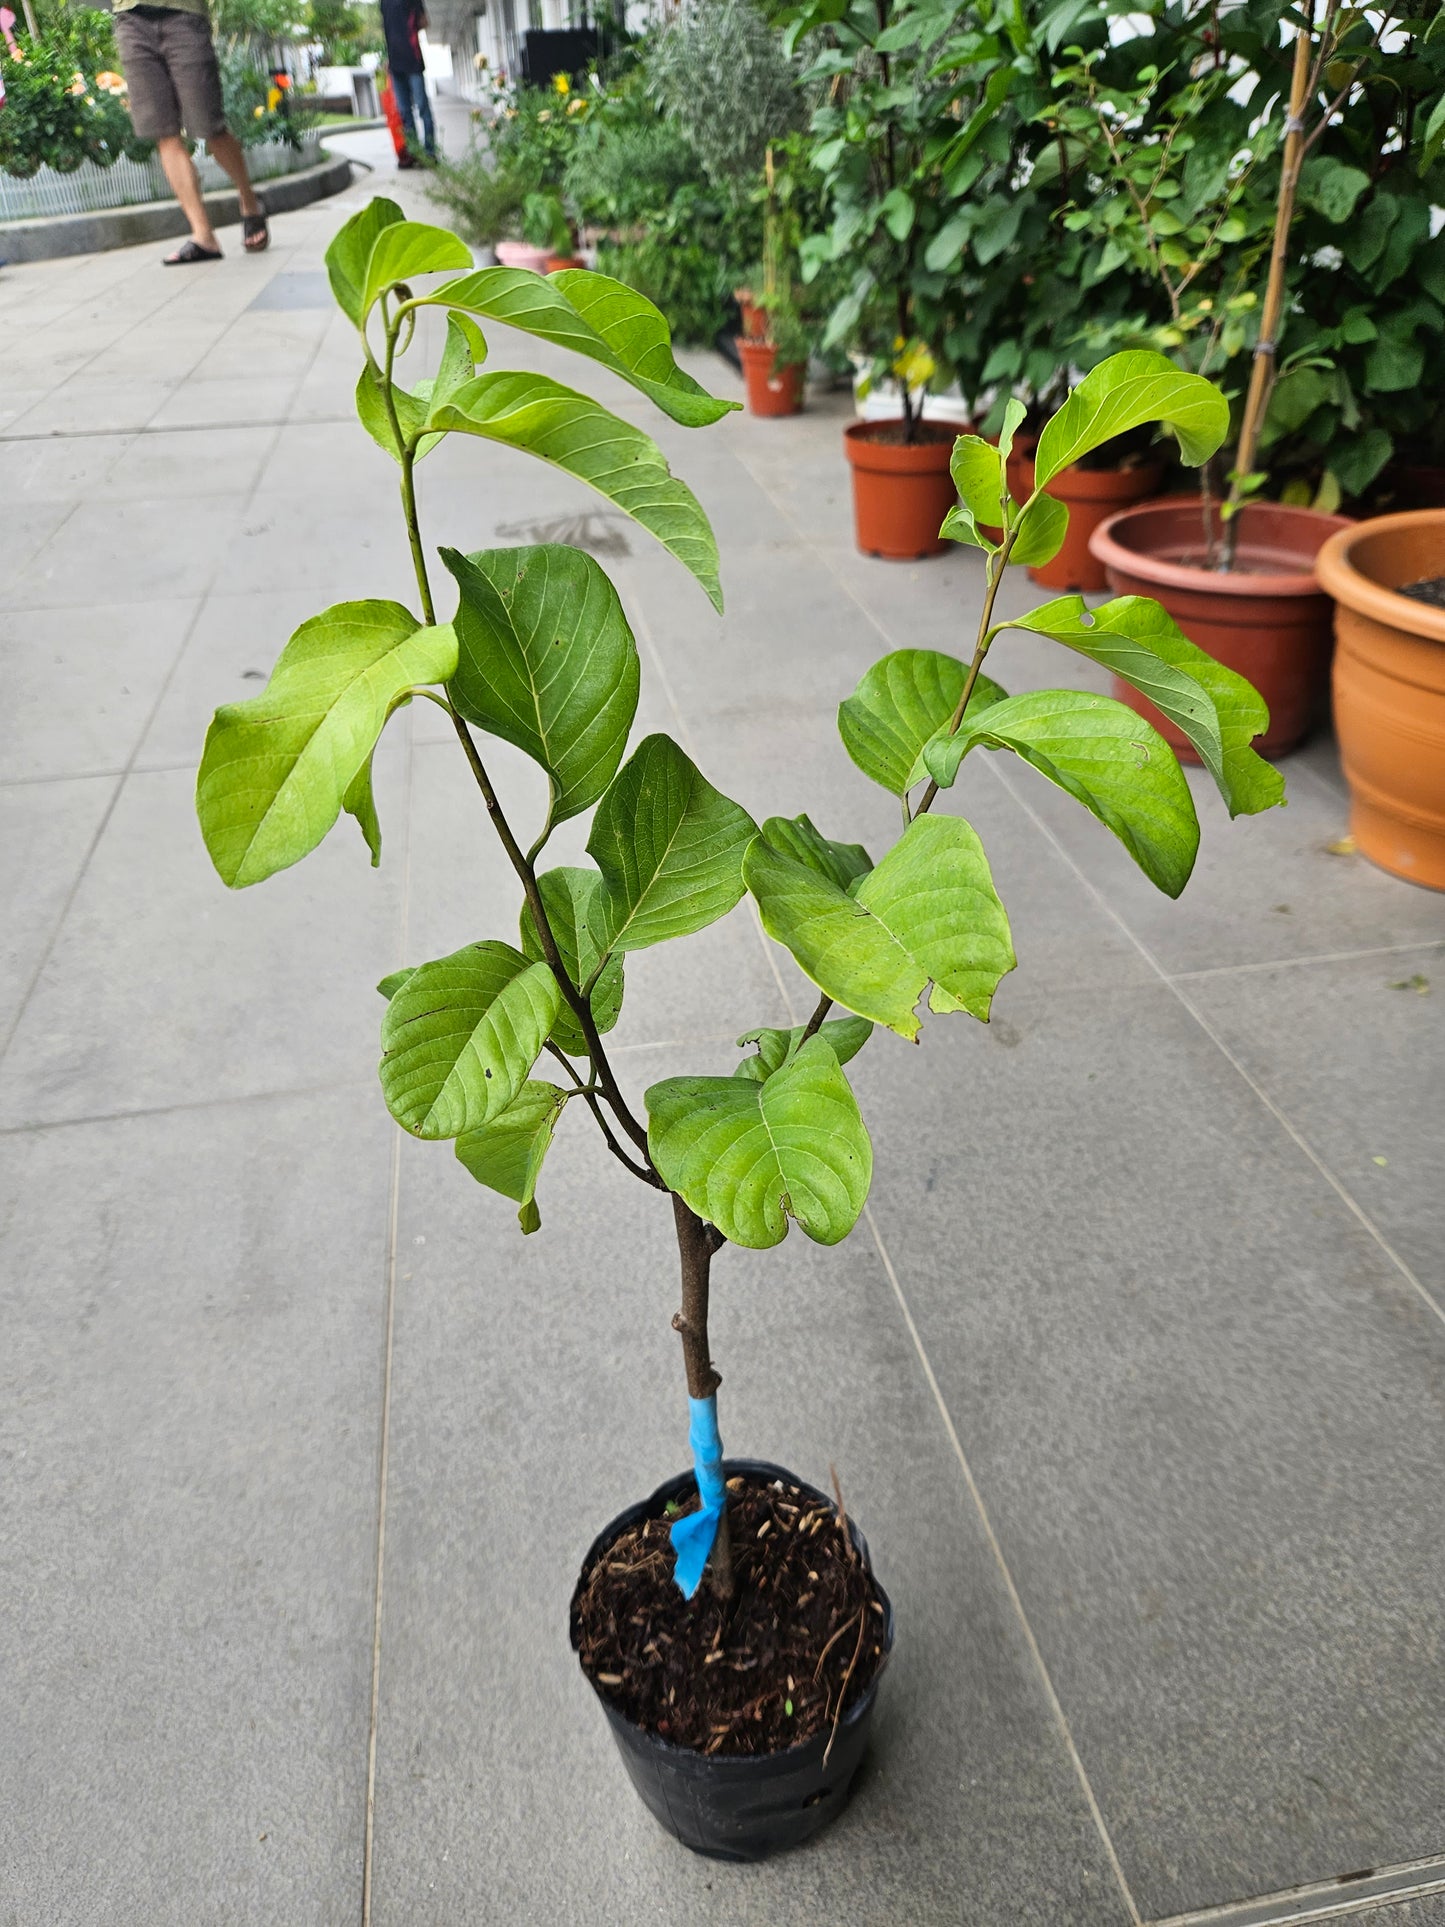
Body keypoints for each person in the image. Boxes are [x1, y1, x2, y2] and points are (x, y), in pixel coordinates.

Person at [112, 0, 269, 263]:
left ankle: (249, 200)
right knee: (164, 131)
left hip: (183, 14)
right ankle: (203, 236)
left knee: (209, 126)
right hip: (131, 18)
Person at [380, 0, 435, 165]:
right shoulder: (384, 3)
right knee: (404, 112)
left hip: (413, 61)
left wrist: (411, 28)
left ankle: (430, 153)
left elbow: (425, 22)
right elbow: (387, 30)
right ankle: (414, 153)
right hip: (395, 65)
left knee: (422, 107)